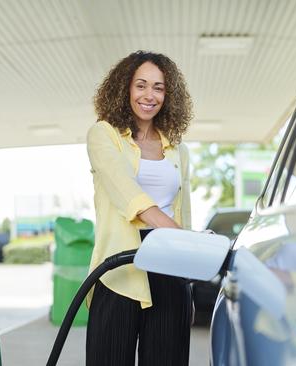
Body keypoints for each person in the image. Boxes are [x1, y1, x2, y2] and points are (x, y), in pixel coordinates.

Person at [85, 50, 194, 365]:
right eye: (141, 85)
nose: (150, 95)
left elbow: (182, 209)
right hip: (119, 269)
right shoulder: (104, 135)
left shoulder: (178, 149)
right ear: (125, 89)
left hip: (169, 264)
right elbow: (126, 191)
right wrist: (184, 237)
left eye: (159, 87)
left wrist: (186, 275)